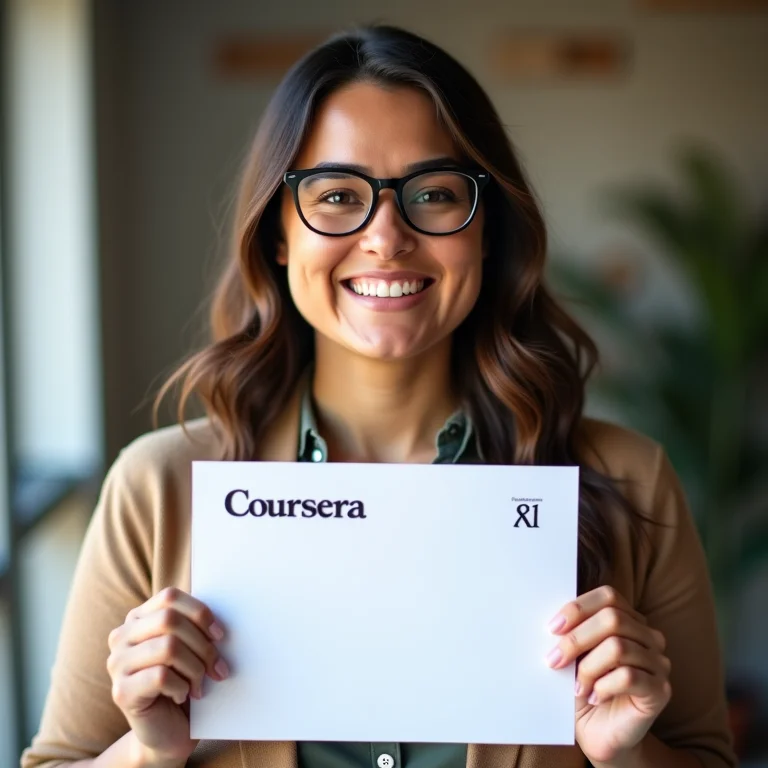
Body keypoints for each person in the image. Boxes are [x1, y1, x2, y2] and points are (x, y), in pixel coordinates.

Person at [22, 24, 735, 768]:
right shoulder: (156, 488)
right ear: (278, 234)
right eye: (335, 196)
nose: (387, 238)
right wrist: (145, 752)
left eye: (433, 193)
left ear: (486, 230)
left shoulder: (628, 479)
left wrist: (628, 754)